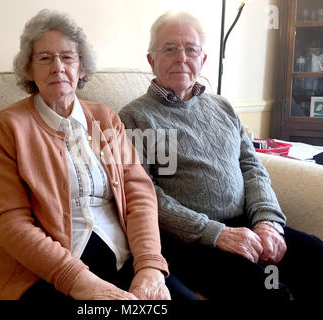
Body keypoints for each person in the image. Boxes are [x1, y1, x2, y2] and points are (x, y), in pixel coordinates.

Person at [0, 9, 198, 301]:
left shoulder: (105, 118)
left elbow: (139, 192)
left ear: (82, 68)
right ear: (29, 69)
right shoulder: (9, 126)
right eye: (45, 58)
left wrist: (149, 265)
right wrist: (78, 281)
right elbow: (10, 221)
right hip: (47, 271)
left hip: (121, 257)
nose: (58, 67)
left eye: (68, 57)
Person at [119, 10, 323, 300]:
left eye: (191, 49)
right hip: (190, 241)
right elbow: (143, 193)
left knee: (315, 254)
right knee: (268, 290)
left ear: (202, 60)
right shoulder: (134, 117)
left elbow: (252, 166)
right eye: (170, 49)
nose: (181, 57)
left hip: (247, 225)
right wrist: (216, 233)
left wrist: (267, 222)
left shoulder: (223, 107)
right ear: (151, 60)